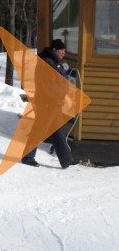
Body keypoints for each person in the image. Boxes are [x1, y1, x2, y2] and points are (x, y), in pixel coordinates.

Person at [21, 39, 80, 169]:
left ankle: (66, 160)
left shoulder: (54, 62)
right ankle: (27, 157)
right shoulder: (46, 62)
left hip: (55, 103)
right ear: (54, 50)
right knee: (39, 129)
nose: (63, 53)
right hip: (47, 102)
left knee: (58, 132)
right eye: (61, 51)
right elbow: (48, 85)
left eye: (64, 51)